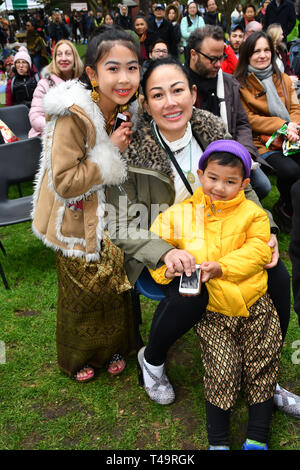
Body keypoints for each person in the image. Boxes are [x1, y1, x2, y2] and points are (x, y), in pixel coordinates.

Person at [107, 57, 286, 408]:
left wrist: (270, 228)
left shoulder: (212, 131)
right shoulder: (129, 150)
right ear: (144, 102)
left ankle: (265, 372)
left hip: (226, 235)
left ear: (192, 93)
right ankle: (152, 359)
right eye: (157, 95)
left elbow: (245, 189)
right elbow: (118, 223)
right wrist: (163, 251)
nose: (170, 103)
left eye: (177, 91)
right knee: (193, 292)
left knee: (276, 276)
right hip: (166, 243)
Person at [149, 140, 282, 450]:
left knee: (263, 361)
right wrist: (166, 267)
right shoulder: (179, 214)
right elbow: (158, 246)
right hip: (213, 311)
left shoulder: (254, 214)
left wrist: (221, 267)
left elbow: (258, 251)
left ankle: (257, 437)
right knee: (222, 368)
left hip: (255, 304)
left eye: (230, 181)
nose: (219, 187)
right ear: (200, 174)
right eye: (212, 178)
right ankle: (219, 442)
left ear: (245, 183)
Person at [31, 26, 140, 382]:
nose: (124, 78)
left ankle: (114, 349)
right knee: (82, 293)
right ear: (92, 72)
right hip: (74, 220)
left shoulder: (125, 107)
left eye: (132, 67)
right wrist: (111, 153)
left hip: (111, 216)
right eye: (113, 68)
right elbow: (63, 183)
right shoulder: (73, 115)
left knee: (112, 287)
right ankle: (79, 358)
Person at [186, 25, 272, 200]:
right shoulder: (178, 84)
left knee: (263, 187)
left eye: (221, 57)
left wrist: (244, 152)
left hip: (231, 152)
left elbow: (241, 123)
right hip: (194, 155)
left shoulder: (228, 82)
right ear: (193, 54)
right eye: (212, 59)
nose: (218, 64)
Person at [234, 31, 300, 233]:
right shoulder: (241, 84)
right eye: (256, 51)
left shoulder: (284, 79)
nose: (262, 55)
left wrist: (294, 127)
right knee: (292, 171)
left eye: (266, 50)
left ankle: (290, 207)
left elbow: (296, 108)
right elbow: (249, 119)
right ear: (247, 55)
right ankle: (285, 208)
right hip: (263, 143)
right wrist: (282, 125)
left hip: (292, 137)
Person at [29, 40, 83, 138]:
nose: (63, 58)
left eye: (68, 54)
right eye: (59, 54)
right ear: (54, 59)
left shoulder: (83, 84)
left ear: (75, 58)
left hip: (78, 137)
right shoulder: (44, 84)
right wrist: (60, 129)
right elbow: (35, 117)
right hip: (49, 138)